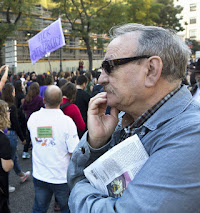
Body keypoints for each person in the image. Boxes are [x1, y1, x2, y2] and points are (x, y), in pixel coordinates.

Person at [68, 23, 200, 212]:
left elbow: (78, 184)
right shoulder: (124, 118)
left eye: (109, 66)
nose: (101, 79)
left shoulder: (192, 135)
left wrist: (79, 187)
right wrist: (96, 143)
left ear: (151, 70)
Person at [27, 85, 79, 213]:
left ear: (44, 100)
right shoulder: (67, 122)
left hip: (40, 175)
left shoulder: (33, 118)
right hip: (62, 177)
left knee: (39, 208)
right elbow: (74, 152)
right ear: (61, 101)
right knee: (67, 209)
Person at [1, 83, 30, 192]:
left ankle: (21, 174)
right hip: (11, 134)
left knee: (13, 157)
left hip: (3, 133)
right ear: (11, 92)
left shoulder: (1, 104)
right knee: (9, 160)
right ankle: (4, 185)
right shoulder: (12, 106)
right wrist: (22, 138)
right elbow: (16, 124)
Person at [22, 82, 44, 159]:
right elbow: (42, 107)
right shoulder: (39, 99)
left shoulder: (27, 98)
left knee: (28, 136)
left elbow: (24, 107)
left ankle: (25, 151)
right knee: (38, 135)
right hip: (38, 119)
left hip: (28, 118)